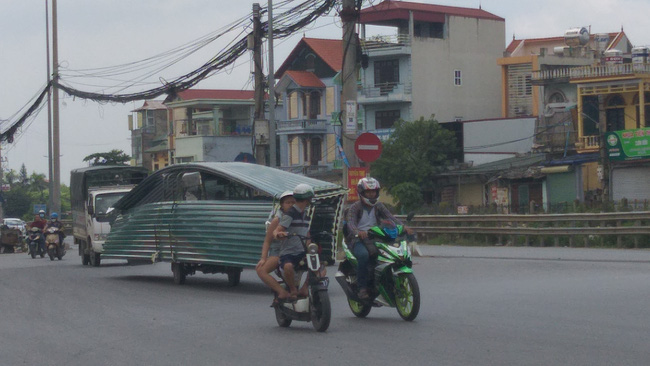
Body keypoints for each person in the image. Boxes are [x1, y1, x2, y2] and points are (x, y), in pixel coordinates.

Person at [345, 177, 412, 300]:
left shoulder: (379, 206)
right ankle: (362, 288)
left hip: (377, 236)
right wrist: (358, 232)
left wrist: (403, 227)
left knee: (391, 253)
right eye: (368, 192)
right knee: (364, 256)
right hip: (357, 239)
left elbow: (391, 218)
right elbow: (350, 223)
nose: (371, 194)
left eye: (374, 192)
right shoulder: (354, 207)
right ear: (362, 193)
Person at [273, 183, 314, 300]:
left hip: (302, 251)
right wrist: (280, 234)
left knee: (320, 269)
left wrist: (310, 248)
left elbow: (307, 235)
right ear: (307, 199)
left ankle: (305, 288)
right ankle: (292, 289)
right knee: (288, 267)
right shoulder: (290, 213)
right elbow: (277, 230)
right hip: (288, 252)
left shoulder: (306, 215)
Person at [256, 191, 296, 301]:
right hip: (279, 252)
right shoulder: (277, 220)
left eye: (293, 202)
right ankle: (281, 292)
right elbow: (267, 241)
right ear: (282, 205)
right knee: (260, 270)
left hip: (297, 250)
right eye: (288, 202)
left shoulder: (301, 216)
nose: (291, 204)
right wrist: (263, 258)